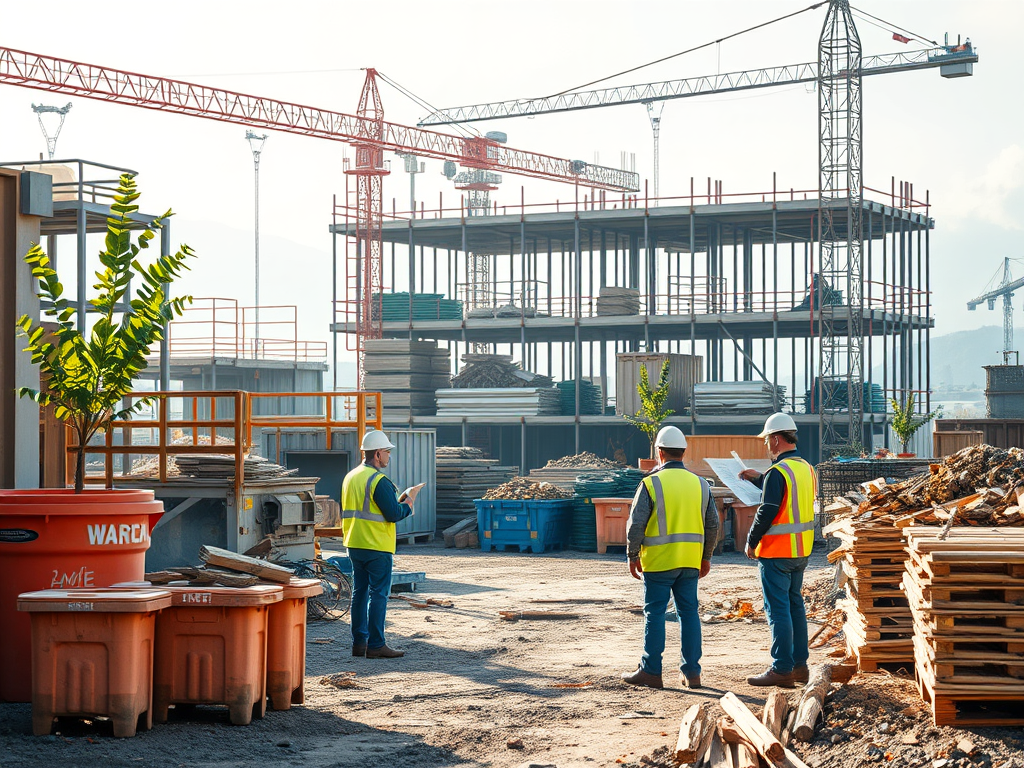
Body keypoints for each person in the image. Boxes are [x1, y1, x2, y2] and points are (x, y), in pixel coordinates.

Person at [621, 426, 719, 690]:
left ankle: (651, 671)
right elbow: (713, 524)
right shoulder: (700, 484)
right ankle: (692, 673)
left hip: (659, 561)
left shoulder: (650, 483)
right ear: (683, 453)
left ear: (660, 453)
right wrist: (706, 556)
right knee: (689, 614)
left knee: (654, 612)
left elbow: (636, 525)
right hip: (690, 562)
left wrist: (632, 555)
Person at [738, 412, 817, 688]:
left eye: (767, 440)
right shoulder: (806, 468)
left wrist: (751, 540)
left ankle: (781, 668)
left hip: (776, 552)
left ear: (775, 439)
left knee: (778, 609)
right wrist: (758, 479)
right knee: (795, 605)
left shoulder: (778, 472)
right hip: (800, 552)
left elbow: (769, 509)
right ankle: (799, 667)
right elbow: (786, 495)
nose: (766, 446)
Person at [342, 429, 422, 659]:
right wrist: (409, 501)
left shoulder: (351, 476)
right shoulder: (378, 480)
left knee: (359, 593)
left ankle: (359, 643)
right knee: (378, 594)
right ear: (377, 454)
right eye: (387, 451)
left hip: (354, 544)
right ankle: (376, 644)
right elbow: (393, 513)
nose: (389, 456)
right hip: (376, 546)